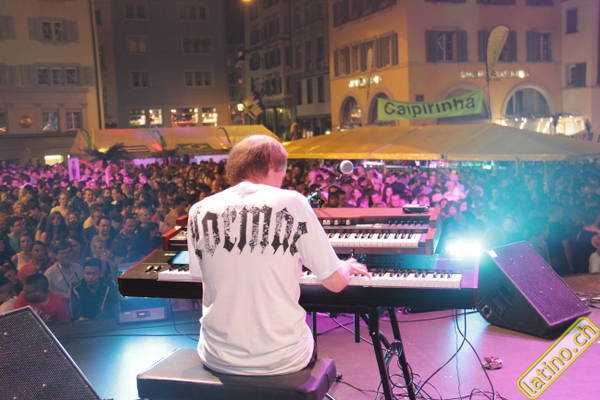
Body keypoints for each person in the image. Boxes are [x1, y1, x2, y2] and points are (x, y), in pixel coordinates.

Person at [187, 135, 369, 376]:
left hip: (216, 355)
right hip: (280, 359)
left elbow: (200, 275)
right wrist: (344, 266)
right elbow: (335, 283)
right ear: (274, 167)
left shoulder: (199, 209)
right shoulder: (291, 202)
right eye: (283, 170)